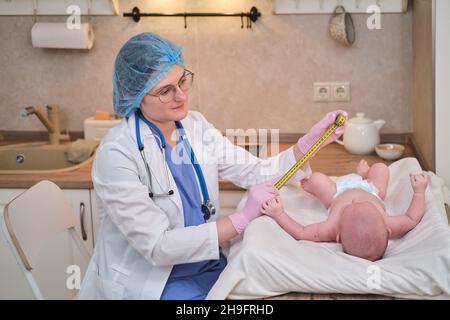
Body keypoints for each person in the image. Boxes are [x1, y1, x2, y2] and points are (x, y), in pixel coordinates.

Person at [79, 32, 347, 299]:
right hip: (154, 281)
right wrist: (241, 219)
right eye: (165, 91)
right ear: (133, 94)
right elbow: (158, 246)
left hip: (208, 263)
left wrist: (308, 144)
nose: (181, 96)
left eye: (183, 81)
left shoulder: (195, 126)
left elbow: (255, 172)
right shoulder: (117, 154)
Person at [261, 159, 428, 261]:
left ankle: (311, 186)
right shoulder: (387, 223)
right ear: (388, 229)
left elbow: (302, 232)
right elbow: (411, 218)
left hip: (336, 194)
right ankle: (367, 174)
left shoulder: (332, 227)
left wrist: (279, 213)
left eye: (348, 209)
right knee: (381, 168)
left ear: (338, 236)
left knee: (317, 179)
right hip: (372, 189)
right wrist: (419, 192)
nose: (354, 202)